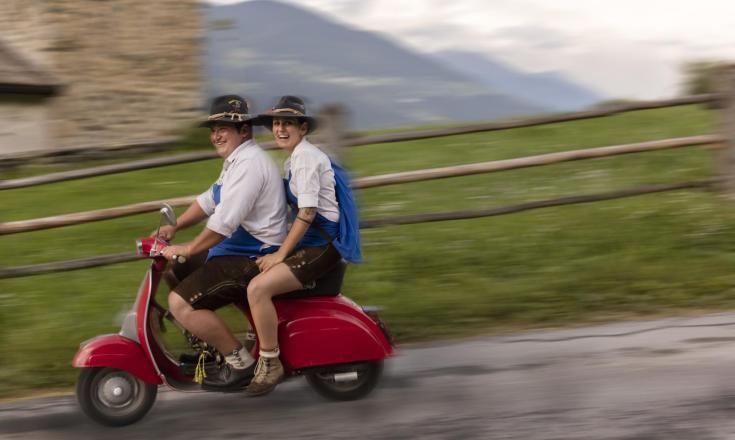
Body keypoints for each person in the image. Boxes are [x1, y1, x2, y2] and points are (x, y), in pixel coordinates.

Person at [159, 94, 288, 389]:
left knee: (180, 303)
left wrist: (188, 248)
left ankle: (240, 363)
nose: (216, 135)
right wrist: (175, 226)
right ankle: (210, 346)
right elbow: (209, 201)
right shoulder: (236, 161)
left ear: (244, 130)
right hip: (236, 250)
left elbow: (224, 223)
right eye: (213, 129)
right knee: (174, 271)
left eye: (224, 128)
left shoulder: (250, 165)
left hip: (254, 257)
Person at [245, 95, 362, 396]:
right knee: (247, 269)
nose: (280, 129)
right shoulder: (294, 159)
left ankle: (271, 363)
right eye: (276, 124)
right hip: (310, 243)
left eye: (288, 124)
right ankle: (259, 340)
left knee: (258, 289)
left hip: (322, 247)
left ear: (303, 128)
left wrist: (280, 254)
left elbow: (307, 213)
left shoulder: (306, 159)